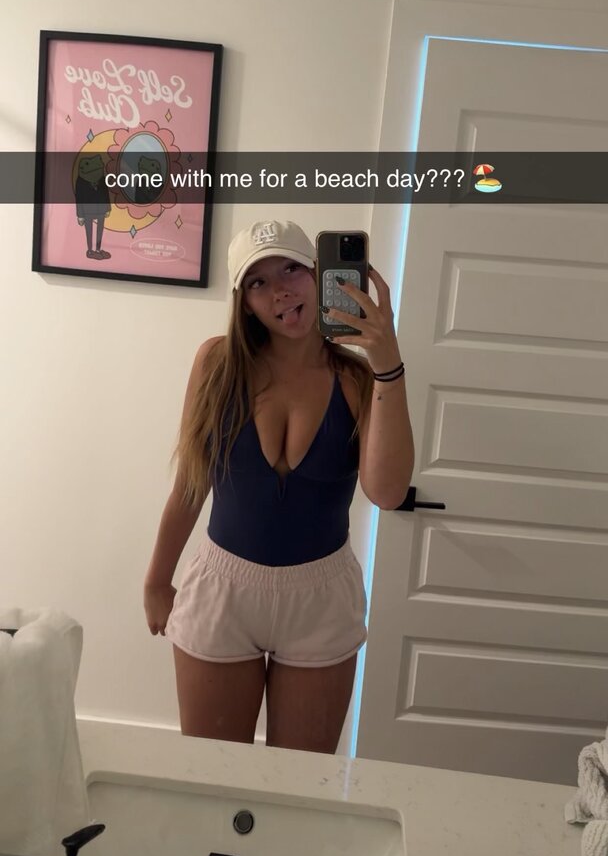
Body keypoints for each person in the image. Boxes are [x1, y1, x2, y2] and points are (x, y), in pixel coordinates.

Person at [144, 219, 414, 754]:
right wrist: (156, 580)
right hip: (222, 587)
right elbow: (192, 484)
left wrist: (388, 368)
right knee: (214, 774)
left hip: (321, 597)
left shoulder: (359, 380)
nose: (281, 291)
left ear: (319, 273)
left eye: (291, 268)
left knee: (300, 783)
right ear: (244, 303)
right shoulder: (216, 364)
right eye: (258, 282)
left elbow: (386, 493)